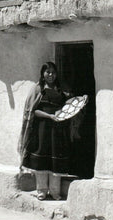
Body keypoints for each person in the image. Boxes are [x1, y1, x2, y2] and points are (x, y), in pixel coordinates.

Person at [18, 62, 72, 200]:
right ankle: (41, 190)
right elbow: (33, 111)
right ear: (43, 74)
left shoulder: (61, 89)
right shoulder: (38, 89)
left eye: (53, 72)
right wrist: (49, 116)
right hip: (41, 129)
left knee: (55, 158)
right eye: (48, 72)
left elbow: (69, 106)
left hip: (57, 130)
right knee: (41, 156)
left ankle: (55, 192)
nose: (50, 75)